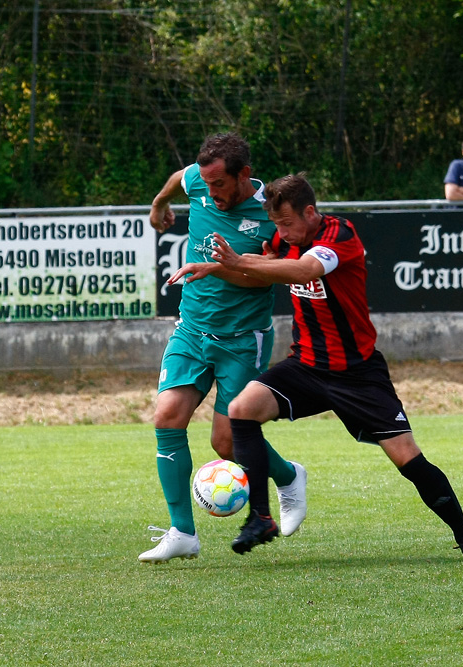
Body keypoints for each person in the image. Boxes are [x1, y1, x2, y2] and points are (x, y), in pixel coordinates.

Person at [169, 172, 463, 562]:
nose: (282, 232)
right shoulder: (281, 239)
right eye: (276, 225)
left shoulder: (339, 235)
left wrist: (238, 262)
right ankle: (260, 517)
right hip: (305, 366)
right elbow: (261, 263)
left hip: (357, 374)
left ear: (309, 212)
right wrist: (218, 267)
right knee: (241, 409)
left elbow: (304, 270)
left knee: (409, 459)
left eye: (287, 223)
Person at [139, 133, 307, 564]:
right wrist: (159, 203)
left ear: (244, 175)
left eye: (219, 185)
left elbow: (269, 276)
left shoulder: (271, 214)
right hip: (192, 329)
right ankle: (182, 532)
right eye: (206, 184)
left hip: (241, 338)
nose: (210, 192)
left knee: (226, 442)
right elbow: (181, 177)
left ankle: (288, 478)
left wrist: (218, 267)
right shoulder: (199, 179)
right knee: (166, 416)